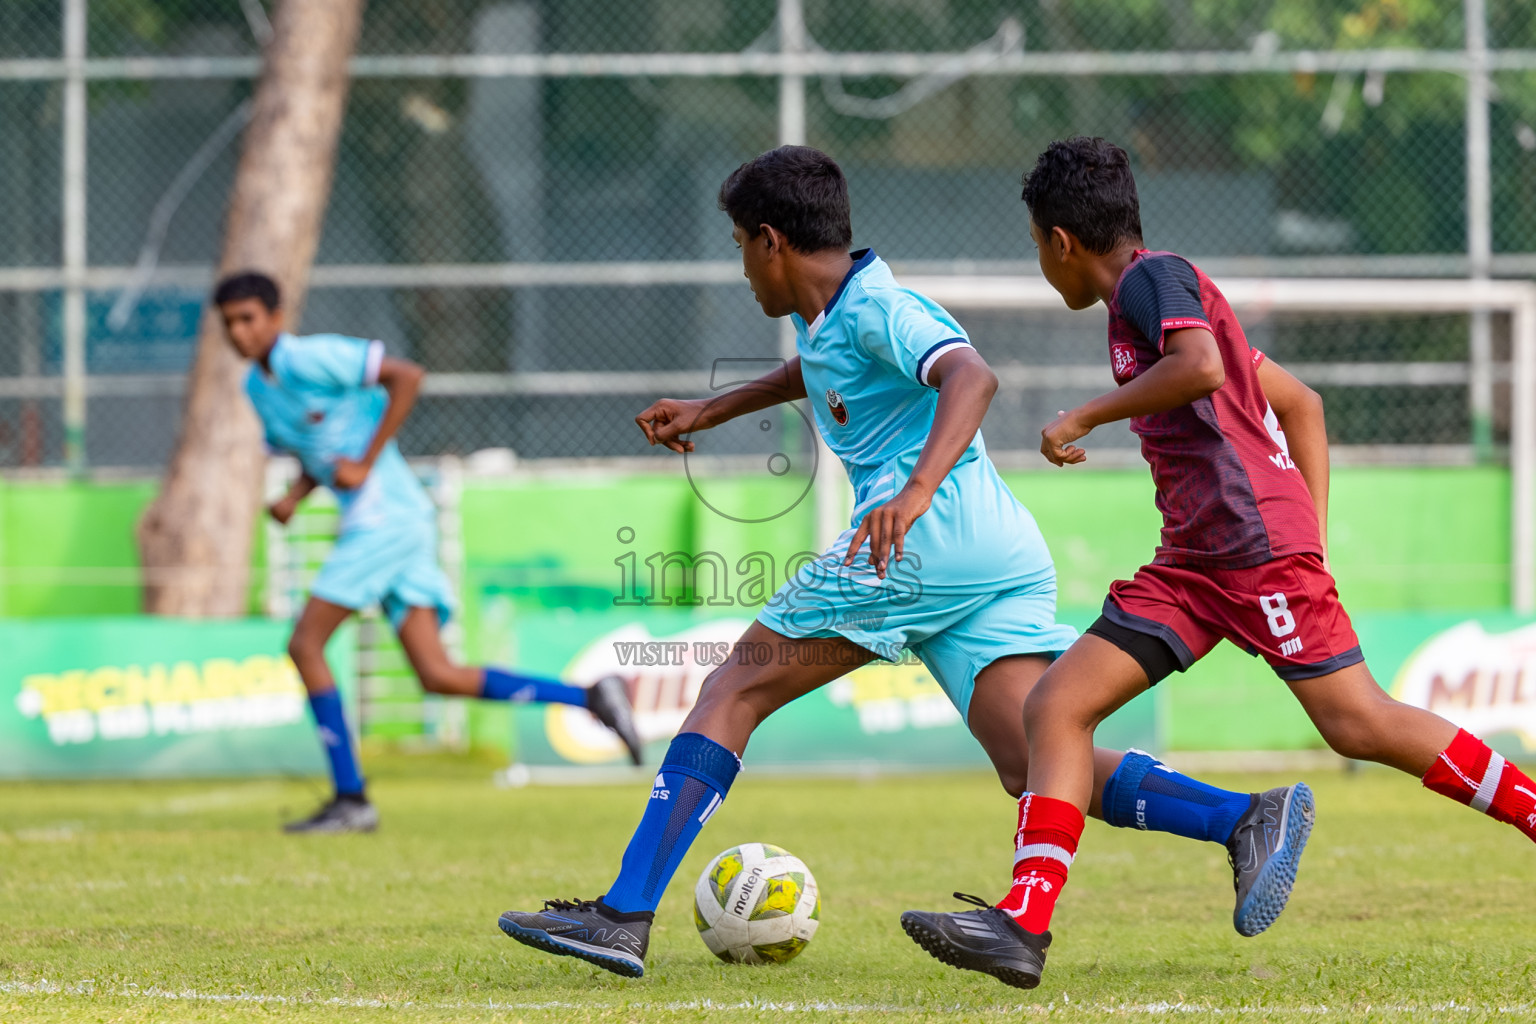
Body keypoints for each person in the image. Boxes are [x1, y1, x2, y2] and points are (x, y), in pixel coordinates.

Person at [494, 145, 1313, 980]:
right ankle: (1245, 818)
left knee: (731, 689)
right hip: (993, 552)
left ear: (771, 240)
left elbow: (971, 375)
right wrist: (717, 405)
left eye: (741, 243)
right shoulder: (837, 313)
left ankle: (624, 911)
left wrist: (917, 490)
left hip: (916, 542)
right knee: (1028, 759)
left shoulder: (884, 305)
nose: (742, 266)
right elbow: (818, 367)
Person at [901, 136, 1536, 991]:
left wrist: (1087, 416)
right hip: (1196, 563)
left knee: (1359, 724)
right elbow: (1297, 403)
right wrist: (1308, 528)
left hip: (1250, 550)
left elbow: (1200, 369)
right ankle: (1022, 925)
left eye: (1035, 246)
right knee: (1056, 705)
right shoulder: (1167, 295)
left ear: (1060, 242)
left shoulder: (1152, 283)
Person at [216, 271, 644, 833]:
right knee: (437, 674)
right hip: (391, 522)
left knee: (305, 643)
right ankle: (589, 696)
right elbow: (321, 450)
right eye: (228, 324)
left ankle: (351, 798)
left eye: (248, 318)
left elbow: (406, 376)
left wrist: (366, 462)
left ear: (275, 317)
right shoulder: (258, 388)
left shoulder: (309, 358)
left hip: (385, 519)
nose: (239, 332)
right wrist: (296, 495)